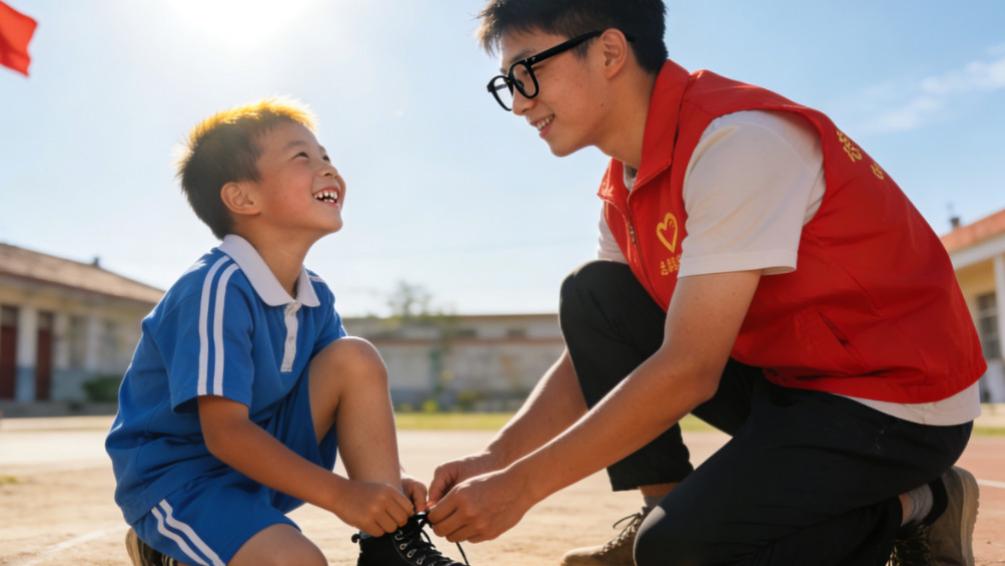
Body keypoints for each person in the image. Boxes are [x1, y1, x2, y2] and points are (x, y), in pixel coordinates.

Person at [426, 2, 985, 565]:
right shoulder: (624, 185)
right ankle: (661, 506)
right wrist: (496, 458)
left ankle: (922, 502)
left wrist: (521, 487)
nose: (519, 102)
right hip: (789, 381)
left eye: (527, 71)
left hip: (894, 400)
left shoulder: (737, 140)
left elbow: (690, 369)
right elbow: (598, 354)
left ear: (610, 52)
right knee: (594, 294)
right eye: (507, 83)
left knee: (680, 554)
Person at [105, 99, 466, 566]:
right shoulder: (215, 287)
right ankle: (162, 548)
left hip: (260, 469)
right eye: (302, 157)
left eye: (326, 156)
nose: (328, 168)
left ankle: (388, 548)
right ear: (243, 199)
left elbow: (350, 397)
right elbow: (225, 434)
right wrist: (342, 494)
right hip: (183, 482)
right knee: (298, 562)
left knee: (354, 357)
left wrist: (387, 485)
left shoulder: (316, 295)